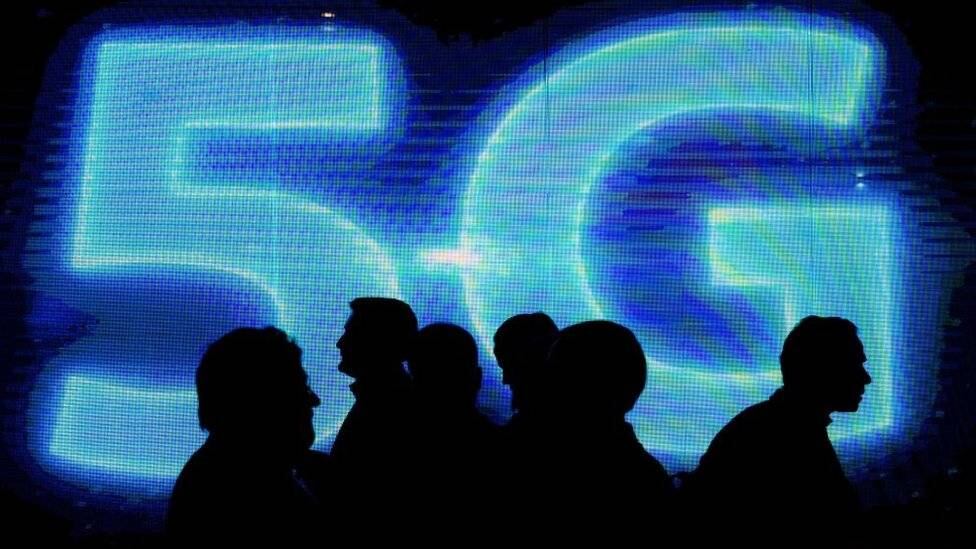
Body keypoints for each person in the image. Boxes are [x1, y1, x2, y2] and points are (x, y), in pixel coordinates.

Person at [166, 327, 323, 544]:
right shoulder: (258, 492)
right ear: (261, 402)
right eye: (299, 389)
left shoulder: (213, 478)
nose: (315, 400)